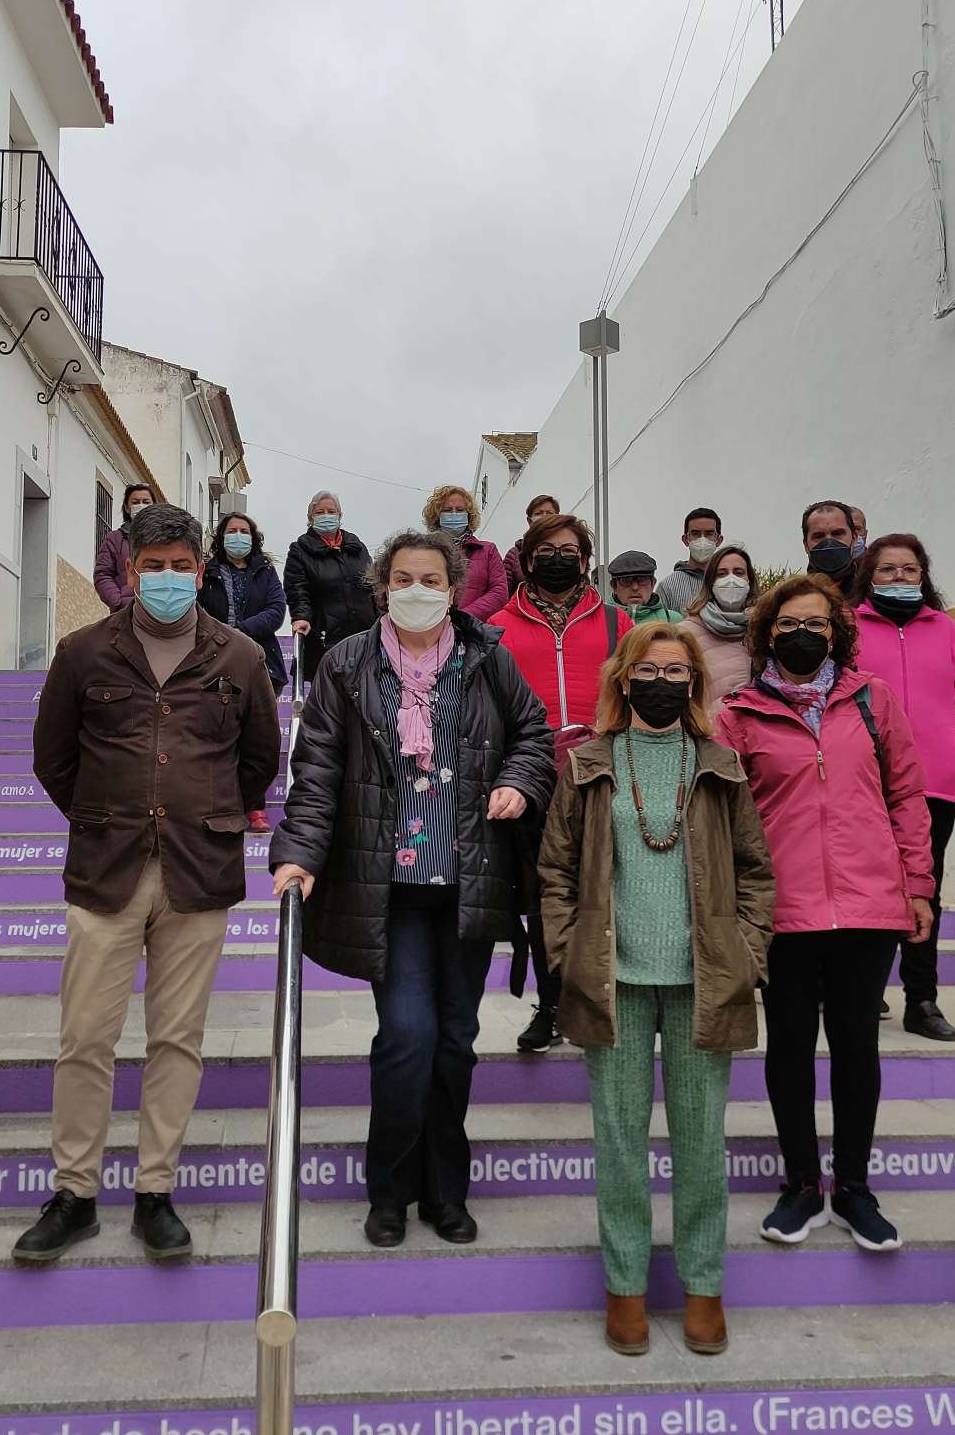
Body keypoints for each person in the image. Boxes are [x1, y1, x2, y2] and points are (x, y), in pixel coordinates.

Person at [273, 528, 554, 1249]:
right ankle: (391, 1188)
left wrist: (518, 784)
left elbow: (533, 734)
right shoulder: (347, 662)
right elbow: (318, 772)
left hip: (468, 881)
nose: (418, 590)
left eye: (432, 578)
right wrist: (297, 853)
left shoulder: (488, 657)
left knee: (455, 1041)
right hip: (390, 887)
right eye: (404, 577)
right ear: (382, 586)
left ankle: (444, 1188)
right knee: (406, 1036)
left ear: (455, 588)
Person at [15, 504, 281, 1264]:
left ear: (202, 570)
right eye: (152, 565)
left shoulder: (240, 659)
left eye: (181, 565)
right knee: (85, 1040)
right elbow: (53, 759)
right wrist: (102, 816)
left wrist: (208, 813)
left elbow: (258, 759)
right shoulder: (82, 652)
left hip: (199, 873)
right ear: (129, 571)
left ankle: (155, 1190)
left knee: (177, 1040)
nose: (167, 578)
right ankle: (74, 1192)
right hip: (106, 872)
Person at [538, 622, 774, 1358]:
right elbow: (554, 874)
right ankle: (626, 1289)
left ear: (696, 683)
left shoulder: (722, 765)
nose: (664, 680)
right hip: (614, 985)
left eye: (678, 669)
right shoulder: (586, 765)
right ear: (624, 677)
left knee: (703, 1146)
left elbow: (757, 875)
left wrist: (747, 953)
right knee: (619, 1146)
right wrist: (566, 954)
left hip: (705, 983)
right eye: (651, 668)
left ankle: (705, 1287)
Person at [715, 575, 934, 1253]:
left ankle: (856, 1187)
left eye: (816, 622)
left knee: (855, 1048)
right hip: (781, 909)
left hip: (869, 907)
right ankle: (802, 1183)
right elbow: (725, 818)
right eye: (787, 624)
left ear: (837, 630)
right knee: (787, 1050)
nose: (802, 633)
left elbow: (906, 792)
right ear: (767, 633)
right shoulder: (738, 713)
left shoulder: (874, 700)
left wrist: (918, 883)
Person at [489, 512, 632, 1052]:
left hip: (607, 777)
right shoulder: (497, 627)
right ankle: (551, 1005)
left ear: (586, 560)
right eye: (546, 550)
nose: (558, 558)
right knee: (544, 896)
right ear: (526, 561)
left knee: (608, 890)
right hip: (531, 779)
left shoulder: (619, 624)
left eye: (569, 550)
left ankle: (606, 999)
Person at [846, 534, 955, 1043]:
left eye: (909, 570)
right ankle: (862, 996)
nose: (899, 579)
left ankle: (922, 999)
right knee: (869, 894)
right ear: (869, 576)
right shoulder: (848, 629)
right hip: (865, 787)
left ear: (923, 577)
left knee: (920, 891)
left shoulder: (947, 631)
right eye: (887, 570)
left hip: (932, 787)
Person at [283, 489, 377, 685]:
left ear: (340, 516)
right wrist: (301, 617)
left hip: (364, 632)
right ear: (310, 518)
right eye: (320, 512)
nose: (326, 516)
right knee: (330, 693)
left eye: (331, 511)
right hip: (325, 636)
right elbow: (297, 589)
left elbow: (373, 584)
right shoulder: (300, 550)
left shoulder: (357, 547)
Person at [201, 510, 288, 699]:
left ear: (253, 537)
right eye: (232, 531)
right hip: (216, 660)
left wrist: (241, 632)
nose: (238, 535)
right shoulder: (207, 573)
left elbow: (276, 610)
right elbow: (198, 612)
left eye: (244, 531)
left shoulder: (266, 571)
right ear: (222, 537)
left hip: (261, 658)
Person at [425, 484, 510, 622]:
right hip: (430, 629)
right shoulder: (423, 551)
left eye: (459, 510)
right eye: (447, 510)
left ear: (469, 516)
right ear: (437, 517)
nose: (454, 514)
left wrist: (463, 618)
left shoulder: (488, 550)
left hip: (473, 631)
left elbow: (499, 593)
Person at [682, 543, 755, 702]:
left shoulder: (763, 628)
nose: (731, 579)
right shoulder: (685, 633)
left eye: (738, 572)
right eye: (722, 574)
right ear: (710, 582)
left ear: (749, 580)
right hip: (708, 723)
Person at [94, 483, 155, 613]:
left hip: (158, 610)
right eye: (135, 502)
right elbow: (103, 574)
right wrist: (118, 601)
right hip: (125, 613)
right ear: (127, 508)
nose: (141, 505)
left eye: (146, 502)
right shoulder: (115, 539)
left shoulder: (166, 539)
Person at [656, 507, 723, 614]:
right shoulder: (668, 586)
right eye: (696, 534)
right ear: (686, 539)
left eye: (709, 534)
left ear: (718, 540)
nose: (702, 539)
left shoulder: (730, 581)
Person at [607, 549, 686, 624]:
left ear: (653, 584)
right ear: (614, 586)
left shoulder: (673, 621)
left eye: (642, 580)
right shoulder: (602, 621)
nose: (635, 587)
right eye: (626, 581)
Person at [503, 493, 560, 590]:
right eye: (539, 514)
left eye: (549, 513)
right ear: (529, 521)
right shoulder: (514, 555)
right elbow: (503, 591)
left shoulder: (569, 550)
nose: (544, 517)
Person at [800, 500, 857, 583]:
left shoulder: (869, 592)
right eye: (819, 536)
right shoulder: (795, 595)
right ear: (806, 545)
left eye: (837, 534)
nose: (829, 543)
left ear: (854, 538)